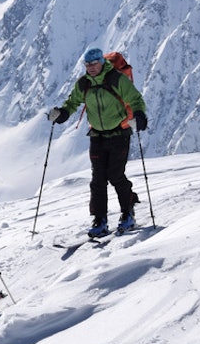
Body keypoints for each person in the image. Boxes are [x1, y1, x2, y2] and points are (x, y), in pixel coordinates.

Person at [47, 47, 148, 238]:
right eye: (87, 65)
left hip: (119, 132)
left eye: (94, 64)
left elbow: (135, 99)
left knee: (116, 175)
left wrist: (140, 115)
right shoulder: (84, 84)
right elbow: (72, 103)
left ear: (102, 63)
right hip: (97, 135)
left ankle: (128, 212)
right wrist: (62, 114)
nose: (91, 68)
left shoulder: (116, 79)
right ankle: (99, 219)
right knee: (98, 180)